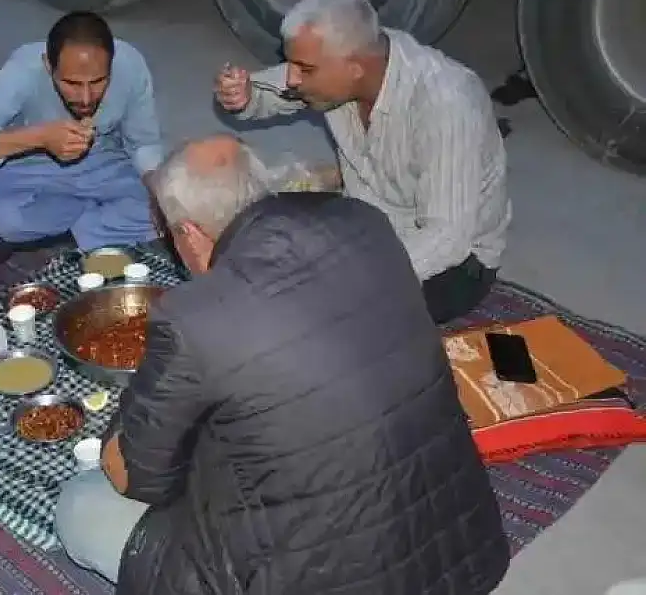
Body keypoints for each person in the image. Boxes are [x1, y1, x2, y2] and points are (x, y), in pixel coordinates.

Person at [54, 135, 510, 594]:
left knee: (82, 503)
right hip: (459, 559)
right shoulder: (365, 222)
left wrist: (132, 412)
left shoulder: (197, 316)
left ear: (189, 233)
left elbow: (136, 478)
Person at [214, 0, 511, 324]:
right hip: (368, 224)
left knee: (319, 320)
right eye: (291, 65)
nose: (292, 79)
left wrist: (353, 278)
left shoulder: (446, 104)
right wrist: (245, 96)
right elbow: (269, 93)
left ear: (355, 67)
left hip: (453, 264)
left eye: (305, 70)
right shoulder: (349, 61)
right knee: (261, 232)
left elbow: (446, 240)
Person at [0, 11, 163, 251]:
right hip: (29, 163)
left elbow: (143, 143)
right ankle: (99, 226)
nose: (86, 98)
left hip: (102, 160)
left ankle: (71, 233)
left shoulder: (129, 64)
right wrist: (40, 137)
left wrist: (157, 188)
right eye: (72, 84)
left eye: (98, 81)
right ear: (49, 66)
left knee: (167, 210)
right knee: (6, 221)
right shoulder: (24, 69)